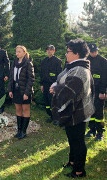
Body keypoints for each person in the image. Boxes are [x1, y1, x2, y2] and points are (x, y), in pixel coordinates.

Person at [50, 39, 94, 178]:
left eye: (68, 51)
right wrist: (56, 86)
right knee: (72, 138)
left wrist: (55, 89)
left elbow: (69, 91)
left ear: (76, 53)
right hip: (73, 110)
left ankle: (79, 171)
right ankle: (73, 161)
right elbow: (63, 80)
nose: (66, 54)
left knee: (78, 141)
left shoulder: (80, 70)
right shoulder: (73, 66)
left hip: (78, 111)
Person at [8, 45, 35, 139]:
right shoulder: (14, 62)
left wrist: (27, 93)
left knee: (25, 109)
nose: (17, 53)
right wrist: (10, 89)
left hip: (24, 90)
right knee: (18, 109)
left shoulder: (28, 63)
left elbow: (31, 79)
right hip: (16, 90)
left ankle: (24, 131)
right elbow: (11, 77)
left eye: (19, 51)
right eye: (16, 51)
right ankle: (19, 130)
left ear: (24, 52)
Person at [86, 43, 107, 141]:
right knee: (91, 111)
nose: (94, 52)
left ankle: (100, 132)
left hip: (99, 91)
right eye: (92, 51)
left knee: (99, 113)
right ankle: (92, 130)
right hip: (89, 91)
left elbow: (105, 78)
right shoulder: (87, 60)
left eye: (95, 51)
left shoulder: (103, 61)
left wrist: (103, 91)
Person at [40, 45, 63, 125]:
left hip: (53, 85)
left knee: (53, 102)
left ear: (54, 51)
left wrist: (57, 85)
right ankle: (51, 116)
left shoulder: (57, 61)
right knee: (47, 102)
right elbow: (41, 73)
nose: (49, 51)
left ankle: (57, 118)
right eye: (48, 50)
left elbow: (60, 75)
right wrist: (41, 84)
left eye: (51, 50)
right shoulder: (44, 61)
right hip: (45, 84)